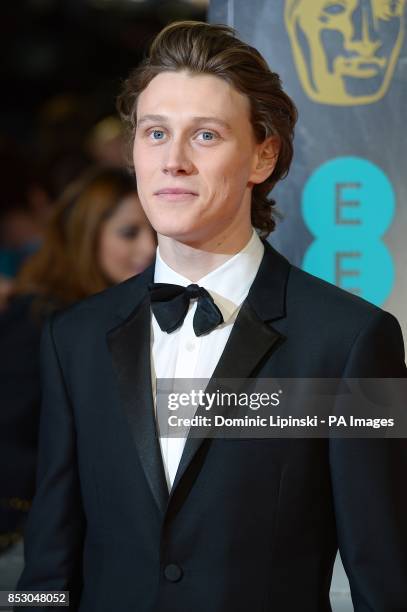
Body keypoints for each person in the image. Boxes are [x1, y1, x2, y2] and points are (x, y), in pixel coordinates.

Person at [16, 21, 407, 611]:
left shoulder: (352, 340)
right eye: (154, 133)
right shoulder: (74, 337)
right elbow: (47, 566)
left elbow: (386, 576)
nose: (172, 161)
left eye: (204, 135)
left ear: (263, 154)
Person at [0, 166, 155, 556]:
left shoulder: (134, 314)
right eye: (129, 232)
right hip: (35, 540)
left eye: (156, 233)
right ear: (87, 235)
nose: (148, 249)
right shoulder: (40, 319)